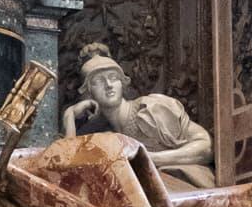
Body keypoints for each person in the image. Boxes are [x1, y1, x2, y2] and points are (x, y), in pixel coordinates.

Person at [61, 41, 216, 189]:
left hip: (189, 186)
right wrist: (69, 116)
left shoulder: (151, 109)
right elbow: (70, 168)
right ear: (88, 92)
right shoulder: (104, 133)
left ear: (123, 83)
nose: (108, 85)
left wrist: (149, 159)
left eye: (113, 78)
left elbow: (206, 147)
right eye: (98, 81)